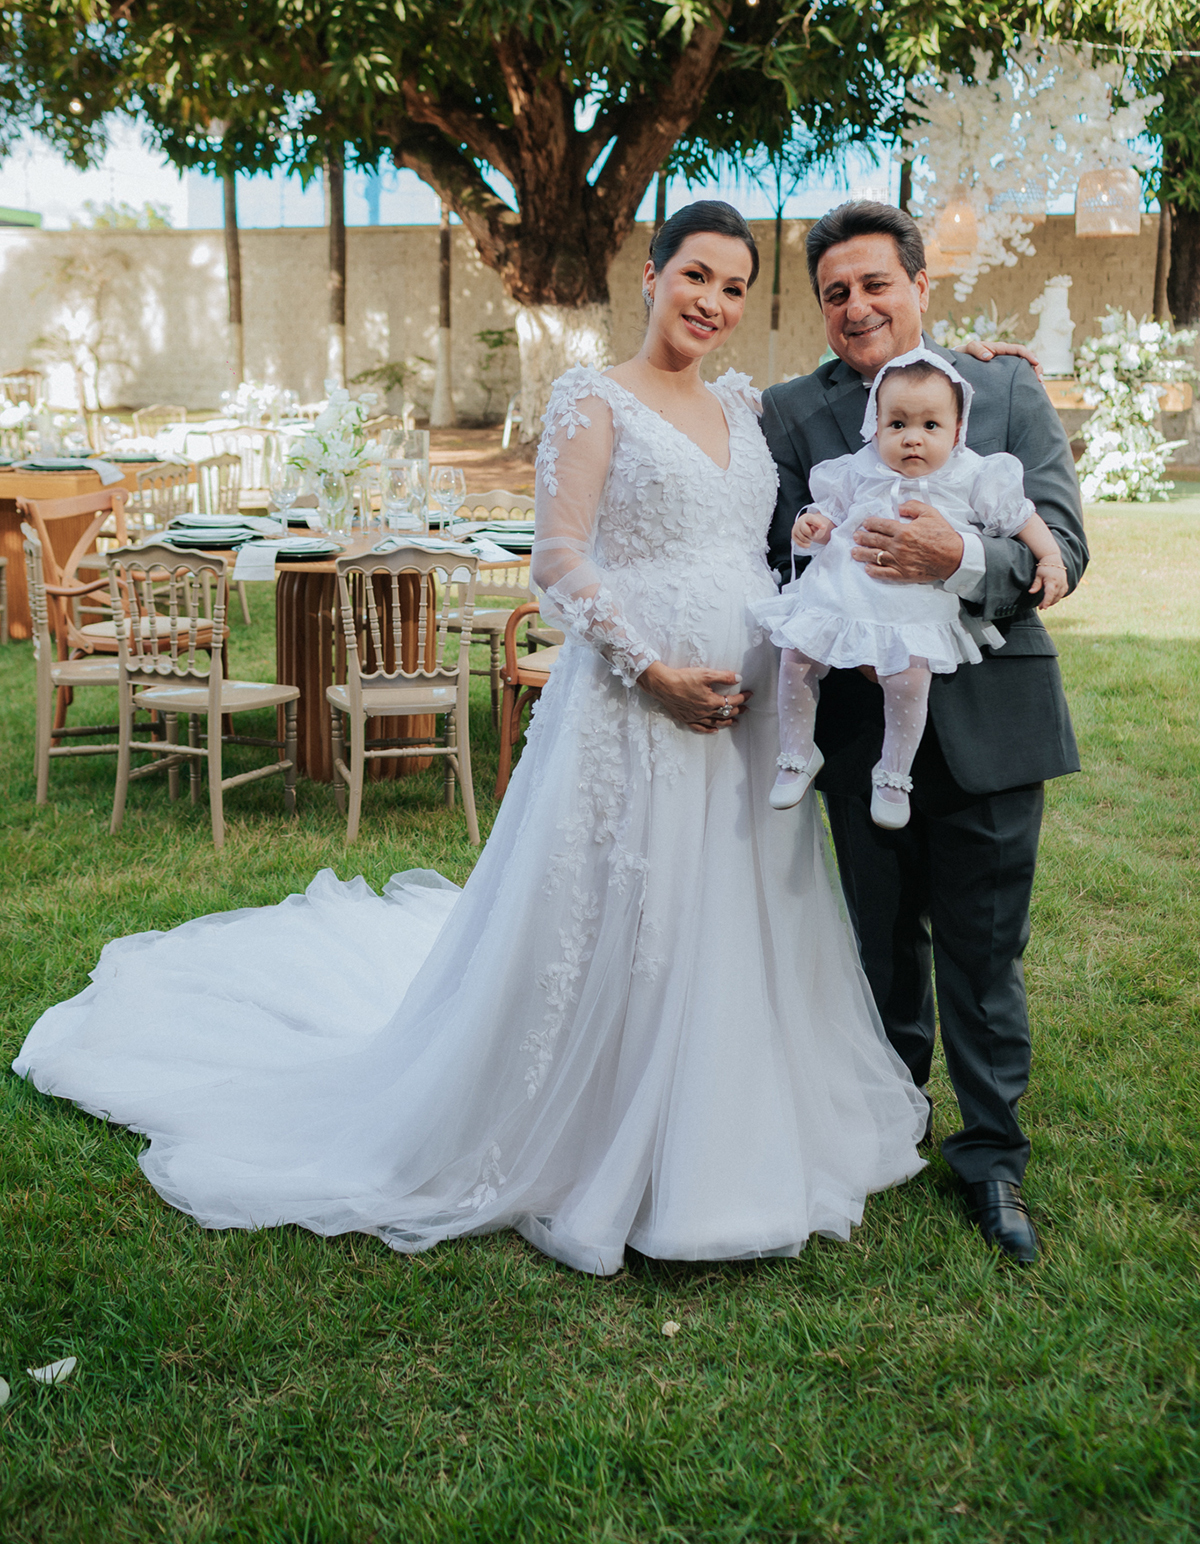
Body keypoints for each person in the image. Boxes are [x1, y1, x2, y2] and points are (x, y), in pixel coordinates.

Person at [15, 201, 927, 1278]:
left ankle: (729, 1125)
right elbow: (558, 561)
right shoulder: (593, 399)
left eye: (735, 287)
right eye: (695, 276)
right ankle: (594, 1132)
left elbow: (862, 436)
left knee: (735, 915)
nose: (713, 303)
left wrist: (967, 361)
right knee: (628, 914)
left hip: (750, 707)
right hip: (637, 705)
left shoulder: (745, 404)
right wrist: (654, 670)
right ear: (650, 274)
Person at [760, 201, 1089, 1265]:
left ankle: (992, 1161)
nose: (858, 307)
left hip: (994, 720)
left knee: (986, 957)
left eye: (876, 284)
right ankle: (887, 1125)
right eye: (836, 293)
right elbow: (776, 549)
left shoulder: (1001, 386)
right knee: (879, 946)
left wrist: (959, 561)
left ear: (920, 287)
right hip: (861, 729)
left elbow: (1062, 549)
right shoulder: (789, 414)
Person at [752, 347, 1068, 829]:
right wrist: (813, 526)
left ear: (957, 431)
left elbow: (1020, 516)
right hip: (842, 596)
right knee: (796, 657)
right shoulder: (861, 467)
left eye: (930, 427)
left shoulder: (970, 474)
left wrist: (1048, 557)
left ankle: (893, 774)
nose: (912, 439)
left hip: (913, 605)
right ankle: (797, 752)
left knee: (909, 680)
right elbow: (829, 511)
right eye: (897, 425)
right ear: (874, 428)